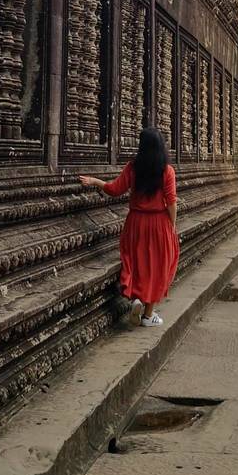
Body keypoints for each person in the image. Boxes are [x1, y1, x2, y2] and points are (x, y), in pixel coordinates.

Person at [80, 127, 180, 327]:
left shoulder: (133, 168)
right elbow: (171, 202)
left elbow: (115, 189)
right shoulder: (166, 171)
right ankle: (148, 315)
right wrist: (172, 226)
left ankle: (136, 298)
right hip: (159, 223)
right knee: (158, 266)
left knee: (136, 262)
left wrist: (95, 181)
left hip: (135, 223)